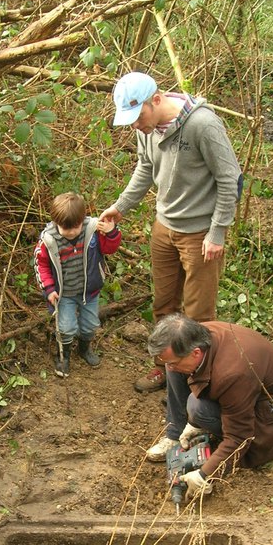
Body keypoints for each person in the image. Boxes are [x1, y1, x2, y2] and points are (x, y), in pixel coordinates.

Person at [99, 72, 242, 393]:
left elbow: (229, 178)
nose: (135, 125)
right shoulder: (146, 130)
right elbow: (145, 167)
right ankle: (165, 370)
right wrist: (121, 206)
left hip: (200, 234)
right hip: (164, 227)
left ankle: (197, 385)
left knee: (198, 316)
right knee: (164, 307)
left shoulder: (202, 125)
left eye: (138, 117)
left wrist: (218, 231)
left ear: (156, 99)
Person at [145, 314, 273, 500]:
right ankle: (175, 435)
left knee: (197, 407)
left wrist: (205, 475)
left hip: (272, 416)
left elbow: (240, 436)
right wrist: (190, 425)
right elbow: (181, 367)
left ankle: (206, 426)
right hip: (243, 395)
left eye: (173, 362)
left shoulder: (234, 374)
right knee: (175, 372)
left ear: (196, 353)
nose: (169, 367)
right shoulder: (194, 335)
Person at [34, 192, 122, 378]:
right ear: (56, 222)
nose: (71, 232)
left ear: (82, 219)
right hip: (64, 294)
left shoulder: (93, 230)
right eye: (65, 228)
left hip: (89, 291)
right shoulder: (49, 240)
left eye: (75, 227)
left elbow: (109, 249)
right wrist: (49, 289)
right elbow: (41, 265)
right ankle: (63, 355)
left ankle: (84, 349)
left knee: (90, 324)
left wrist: (111, 232)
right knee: (66, 327)